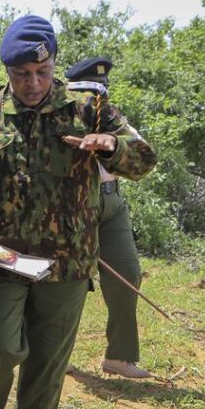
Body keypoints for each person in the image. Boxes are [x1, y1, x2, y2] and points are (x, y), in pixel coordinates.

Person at [0, 16, 157, 409]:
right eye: (22, 75)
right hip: (0, 257)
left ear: (54, 64)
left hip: (67, 262)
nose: (33, 83)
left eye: (42, 72)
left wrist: (111, 147)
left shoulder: (89, 109)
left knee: (47, 362)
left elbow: (144, 159)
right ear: (7, 71)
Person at [63, 57, 152, 380]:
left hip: (112, 201)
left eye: (100, 91)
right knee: (68, 282)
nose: (95, 97)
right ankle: (55, 356)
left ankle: (120, 356)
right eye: (89, 90)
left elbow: (140, 149)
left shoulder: (110, 116)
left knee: (127, 274)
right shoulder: (63, 114)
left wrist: (113, 144)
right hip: (75, 204)